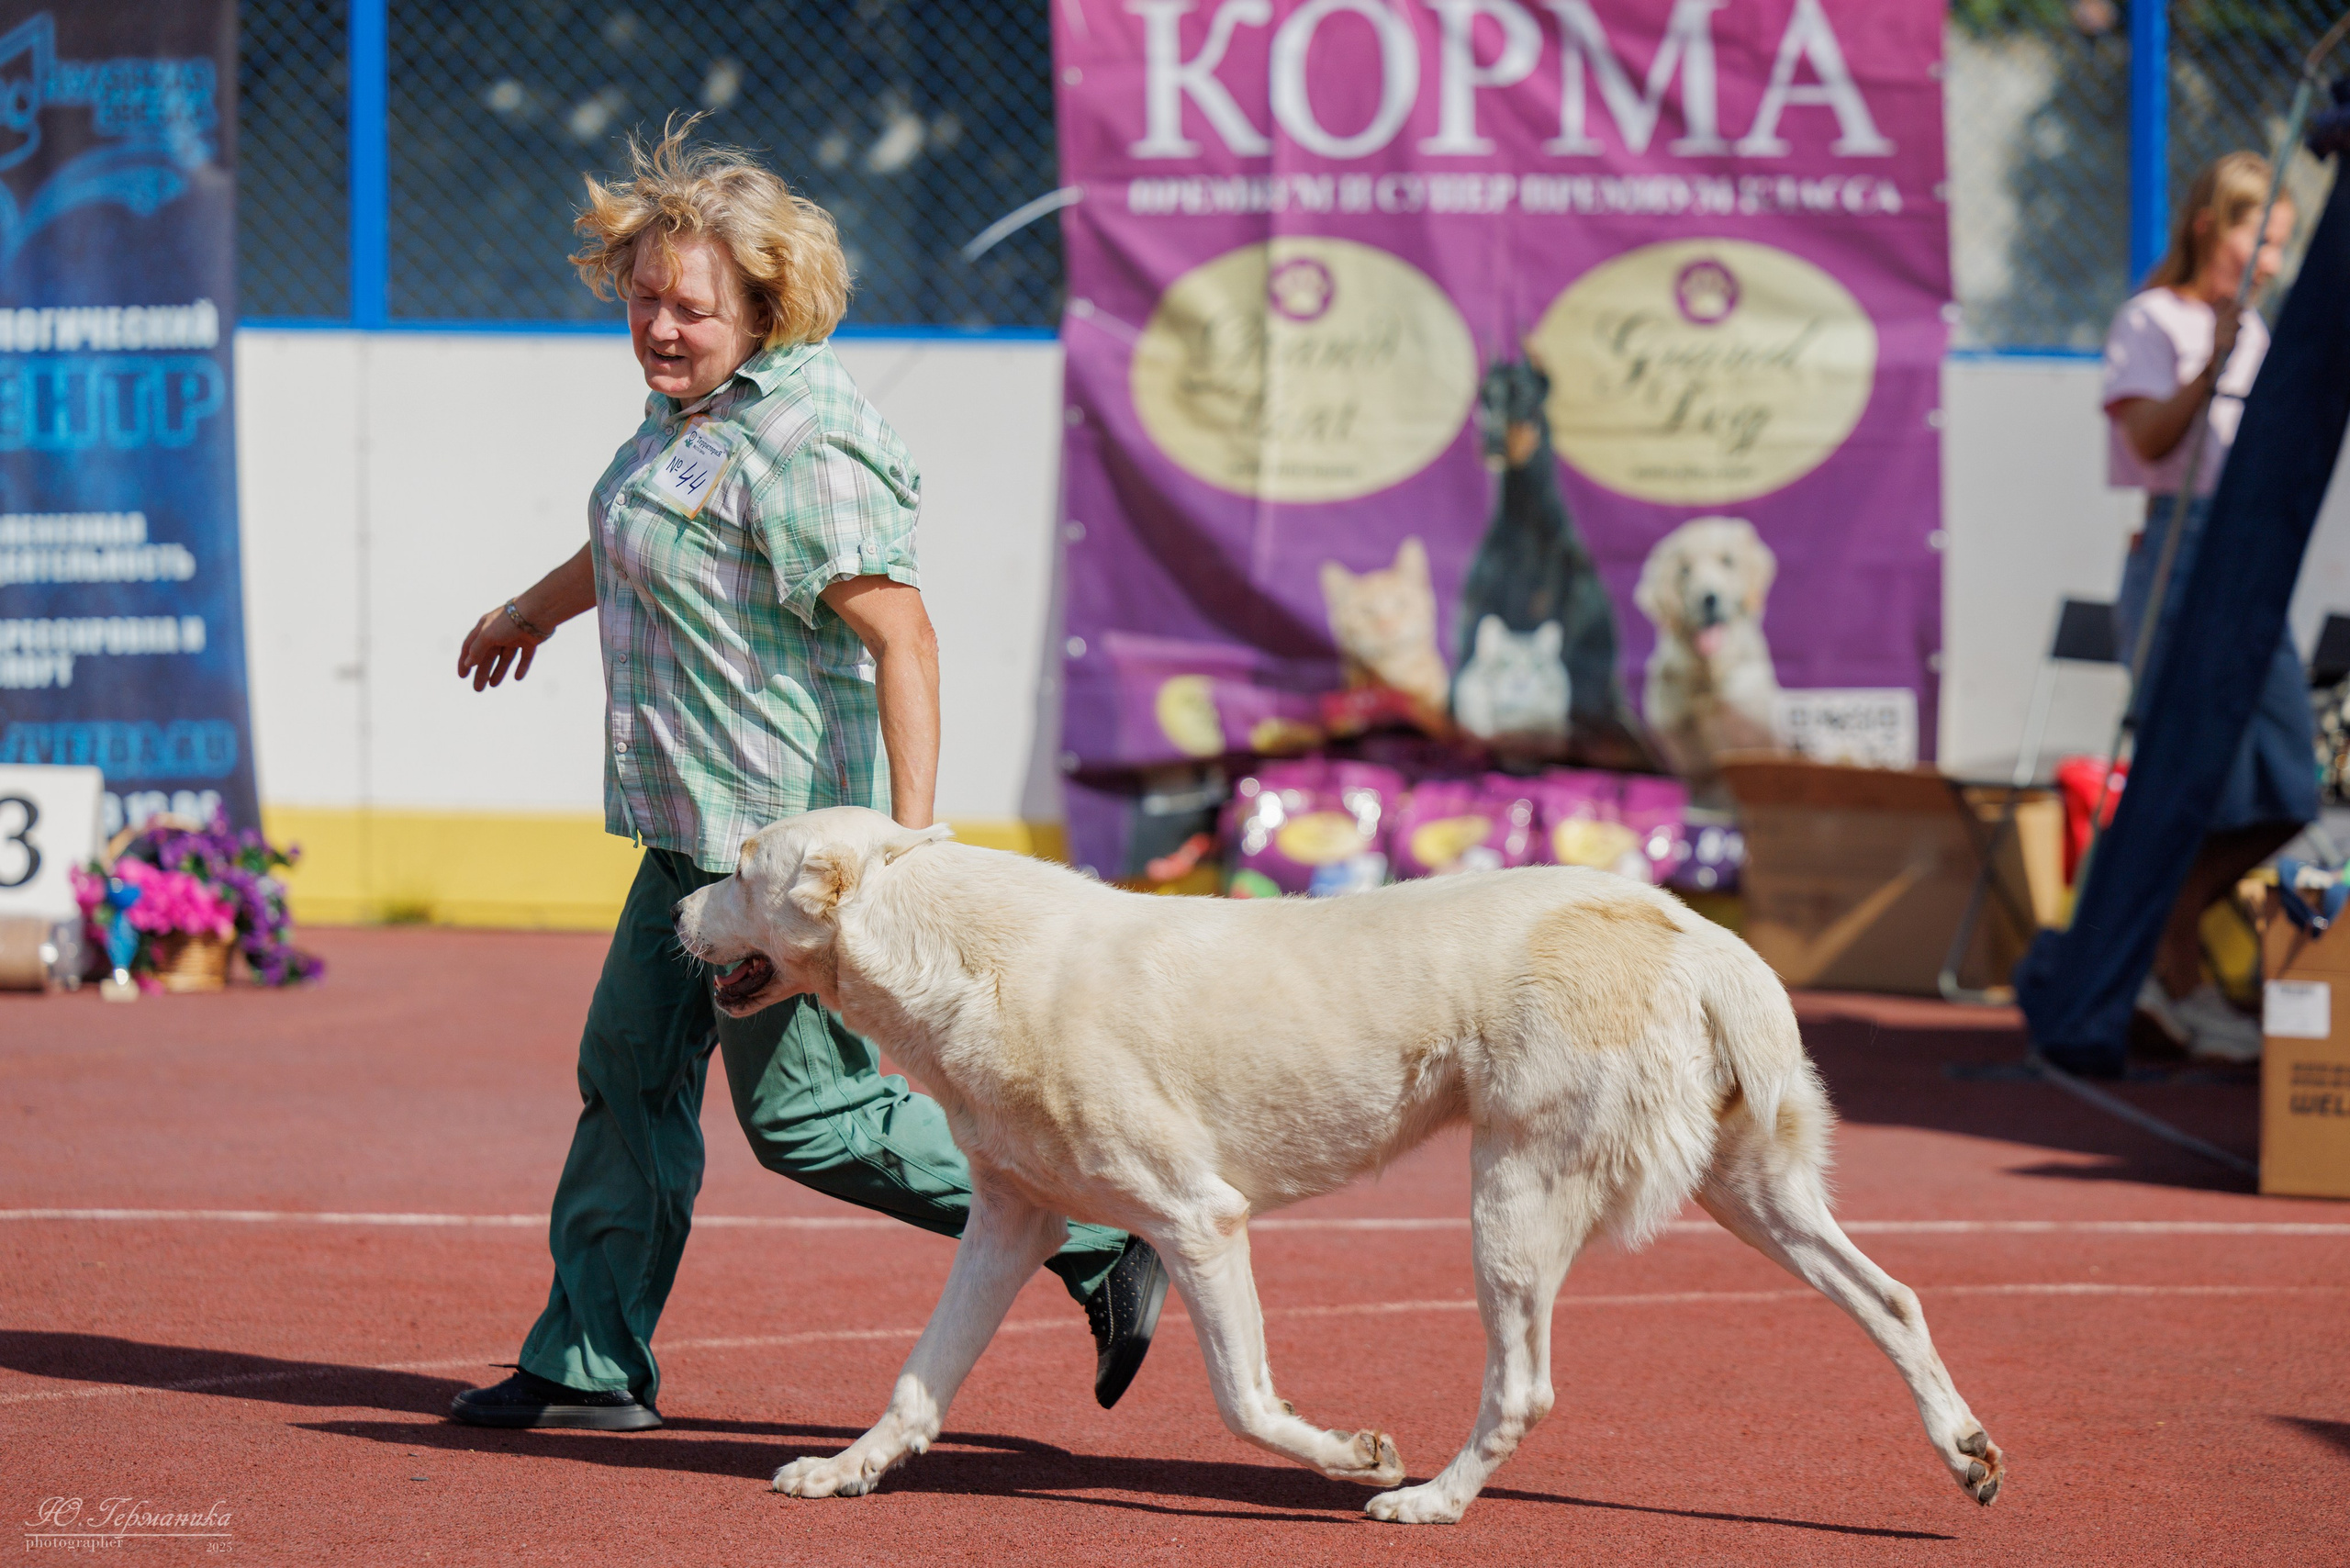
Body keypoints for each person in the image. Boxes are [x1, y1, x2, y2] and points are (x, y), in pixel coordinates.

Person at [444, 119, 1166, 1430]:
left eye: (693, 307)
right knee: (629, 1078)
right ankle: (587, 1368)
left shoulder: (805, 439)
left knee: (813, 1122)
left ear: (765, 305)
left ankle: (1106, 1234)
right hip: (688, 835)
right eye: (646, 299)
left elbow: (904, 636)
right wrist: (530, 612)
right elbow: (634, 545)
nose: (662, 327)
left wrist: (901, 846)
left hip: (778, 860)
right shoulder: (693, 413)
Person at [2102, 151, 2314, 1062]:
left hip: (2245, 553)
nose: (2264, 262)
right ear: (2206, 226)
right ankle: (2170, 976)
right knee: (2188, 775)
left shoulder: (2261, 331)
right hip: (2176, 549)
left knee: (2285, 782)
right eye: (2253, 238)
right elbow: (2147, 435)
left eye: (2278, 247)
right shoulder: (2151, 321)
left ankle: (2160, 944)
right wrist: (2211, 364)